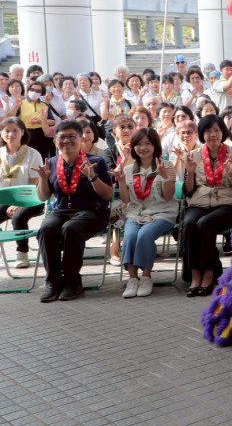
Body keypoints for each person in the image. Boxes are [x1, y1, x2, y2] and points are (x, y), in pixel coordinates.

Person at [33, 120, 113, 302]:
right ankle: (53, 281)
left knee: (71, 228)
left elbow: (107, 195)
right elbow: (43, 197)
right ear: (55, 141)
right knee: (46, 229)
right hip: (61, 211)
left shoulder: (96, 161)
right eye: (62, 137)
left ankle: (73, 282)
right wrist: (43, 179)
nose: (67, 141)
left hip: (92, 211)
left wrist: (92, 177)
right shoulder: (51, 163)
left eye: (72, 136)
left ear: (81, 139)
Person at [180, 114, 232, 297]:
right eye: (208, 131)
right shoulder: (193, 155)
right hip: (199, 202)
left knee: (204, 224)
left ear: (223, 132)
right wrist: (190, 172)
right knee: (189, 224)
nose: (213, 134)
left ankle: (209, 274)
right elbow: (188, 191)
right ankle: (195, 275)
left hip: (226, 203)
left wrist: (231, 175)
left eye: (217, 130)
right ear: (202, 134)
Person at [115, 128, 176, 298]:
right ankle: (132, 278)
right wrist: (121, 181)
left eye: (148, 143)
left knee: (144, 234)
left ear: (155, 146)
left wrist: (164, 177)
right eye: (139, 144)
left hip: (162, 212)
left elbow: (168, 196)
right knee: (129, 236)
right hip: (136, 213)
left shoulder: (166, 166)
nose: (143, 148)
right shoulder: (128, 169)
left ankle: (146, 276)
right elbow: (126, 200)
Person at [0, 117, 44, 268]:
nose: (10, 134)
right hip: (4, 199)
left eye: (15, 130)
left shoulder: (33, 154)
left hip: (30, 198)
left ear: (22, 132)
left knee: (18, 216)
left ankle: (22, 252)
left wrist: (18, 203)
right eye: (6, 131)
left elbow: (35, 181)